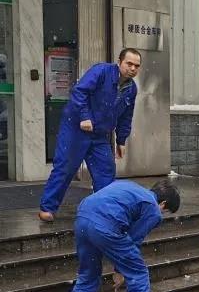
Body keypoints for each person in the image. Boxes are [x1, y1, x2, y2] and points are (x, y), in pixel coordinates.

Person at [56, 179, 181, 292]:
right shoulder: (153, 208)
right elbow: (134, 238)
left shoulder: (128, 186)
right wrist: (120, 270)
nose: (162, 215)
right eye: (165, 211)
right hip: (105, 224)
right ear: (163, 203)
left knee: (88, 275)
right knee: (138, 273)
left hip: (82, 218)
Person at [38, 49, 142, 221]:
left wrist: (121, 140)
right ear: (119, 62)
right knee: (65, 168)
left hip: (100, 133)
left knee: (106, 171)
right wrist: (84, 116)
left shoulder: (131, 89)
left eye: (136, 66)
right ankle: (47, 208)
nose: (132, 68)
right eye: (129, 64)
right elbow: (79, 92)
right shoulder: (101, 71)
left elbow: (126, 116)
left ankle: (103, 211)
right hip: (75, 128)